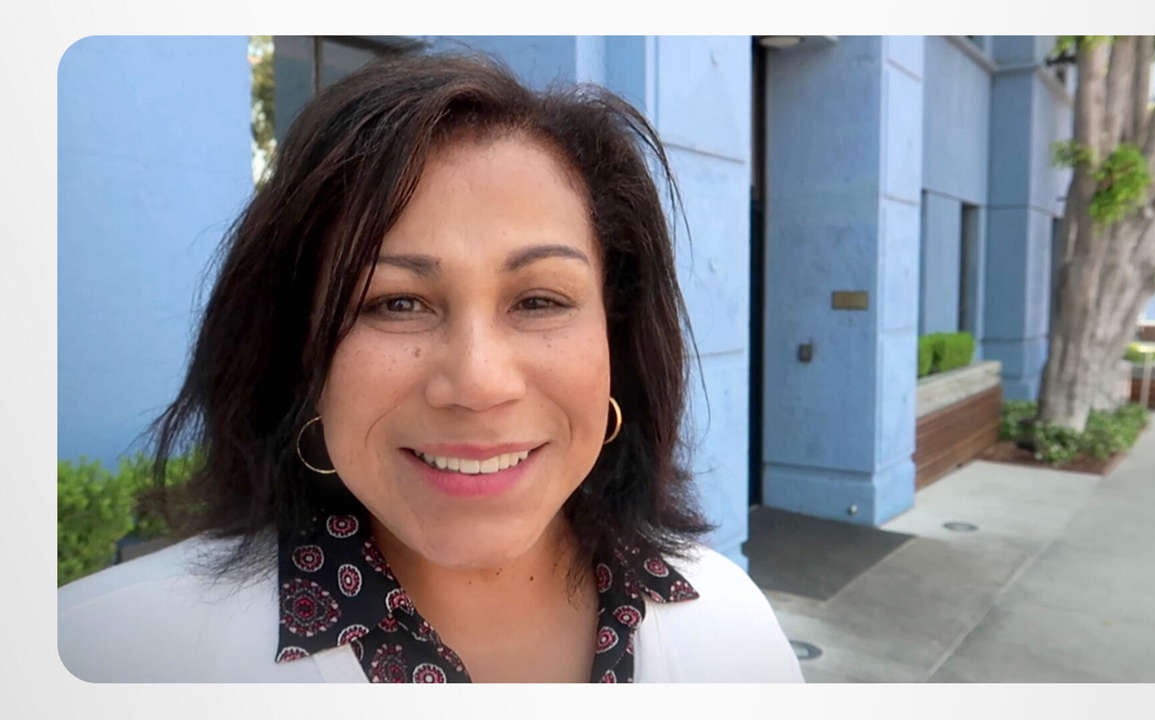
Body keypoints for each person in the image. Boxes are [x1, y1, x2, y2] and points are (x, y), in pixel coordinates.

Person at [57, 52, 803, 684]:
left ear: (616, 340)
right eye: (396, 303)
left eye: (539, 301)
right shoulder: (110, 657)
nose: (477, 382)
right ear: (302, 358)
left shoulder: (732, 633)